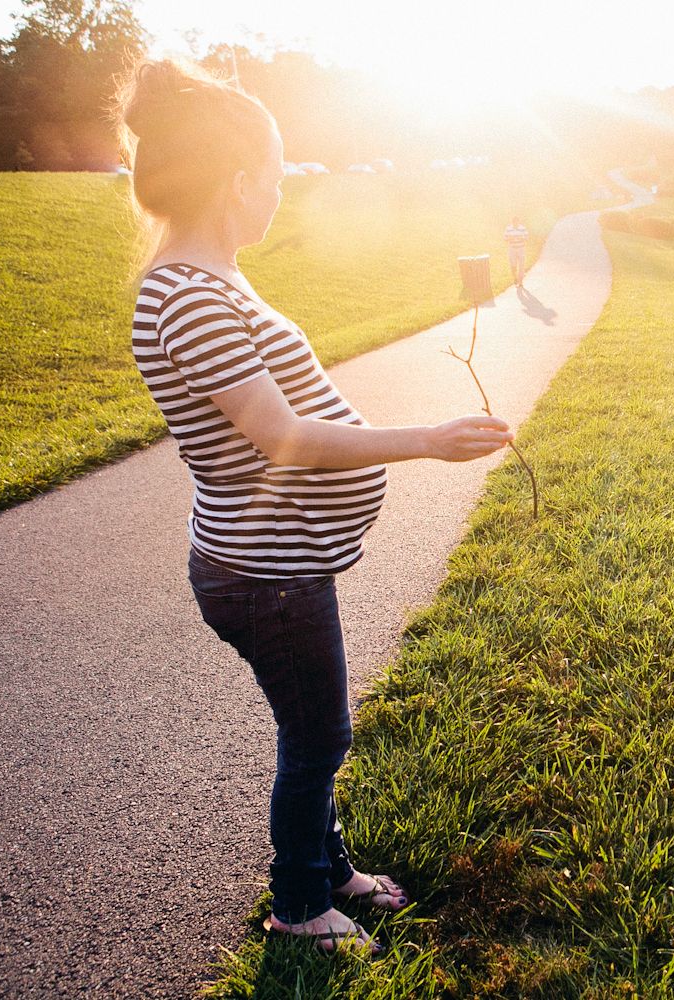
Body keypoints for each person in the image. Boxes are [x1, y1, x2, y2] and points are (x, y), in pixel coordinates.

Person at [116, 59, 514, 954]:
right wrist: (425, 439)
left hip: (280, 567)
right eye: (279, 171)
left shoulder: (207, 280)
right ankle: (300, 905)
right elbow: (283, 437)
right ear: (238, 180)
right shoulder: (188, 296)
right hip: (265, 575)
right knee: (317, 739)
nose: (283, 189)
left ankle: (328, 869)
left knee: (317, 731)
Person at [504, 215, 528, 288]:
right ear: (512, 222)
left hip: (521, 249)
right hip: (512, 249)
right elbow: (505, 238)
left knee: (521, 265)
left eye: (516, 222)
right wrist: (511, 238)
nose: (515, 224)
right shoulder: (508, 229)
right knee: (513, 265)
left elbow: (526, 238)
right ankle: (515, 278)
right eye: (514, 223)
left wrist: (519, 238)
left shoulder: (523, 229)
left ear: (518, 222)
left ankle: (520, 282)